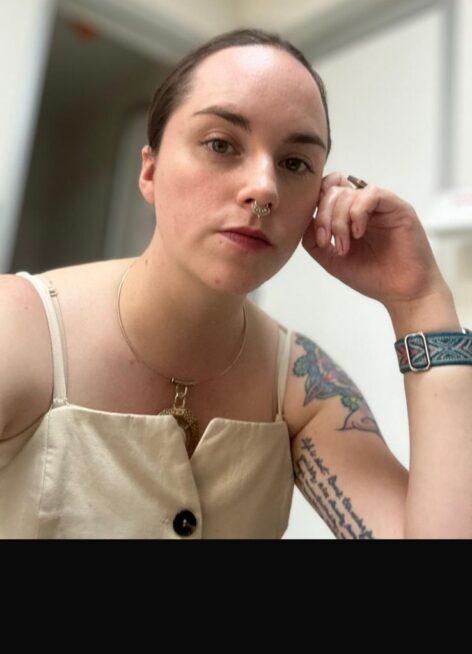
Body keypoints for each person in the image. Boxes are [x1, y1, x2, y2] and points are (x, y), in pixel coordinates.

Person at [1, 27, 471, 539]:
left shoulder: (302, 385)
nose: (264, 189)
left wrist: (420, 302)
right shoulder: (18, 331)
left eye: (294, 163)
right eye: (221, 144)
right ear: (150, 172)